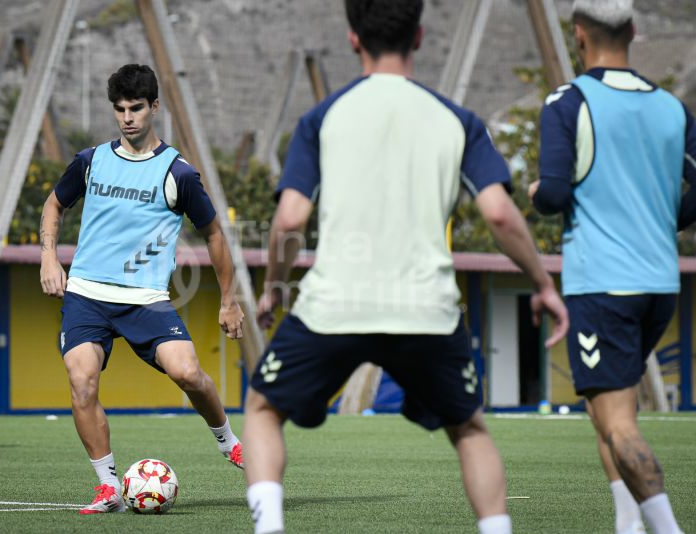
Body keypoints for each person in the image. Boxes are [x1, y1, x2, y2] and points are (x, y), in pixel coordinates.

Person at [242, 1, 569, 533]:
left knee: (261, 408)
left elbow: (289, 221)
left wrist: (274, 288)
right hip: (428, 313)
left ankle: (270, 526)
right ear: (418, 36)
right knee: (469, 430)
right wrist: (542, 284)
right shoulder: (456, 119)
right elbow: (500, 214)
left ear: (353, 39)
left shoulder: (322, 117)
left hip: (334, 309)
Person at [39, 64, 245, 515]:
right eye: (120, 109)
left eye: (136, 108)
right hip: (88, 294)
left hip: (145, 300)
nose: (128, 117)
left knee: (188, 373)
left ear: (154, 107)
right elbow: (54, 204)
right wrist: (49, 255)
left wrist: (229, 302)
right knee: (81, 380)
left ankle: (229, 441)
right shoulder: (91, 160)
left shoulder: (179, 174)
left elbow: (214, 234)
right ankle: (108, 487)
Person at [530, 1, 693, 533]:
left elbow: (553, 194)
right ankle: (626, 523)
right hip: (658, 283)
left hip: (602, 283)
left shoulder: (567, 102)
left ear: (578, 35)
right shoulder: (671, 106)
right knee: (605, 409)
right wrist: (664, 219)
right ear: (634, 31)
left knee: (619, 424)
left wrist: (536, 191)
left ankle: (665, 527)